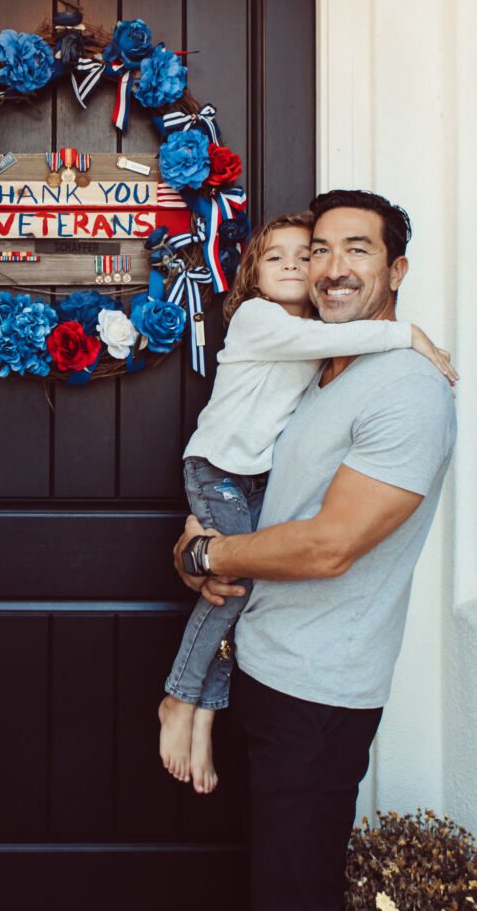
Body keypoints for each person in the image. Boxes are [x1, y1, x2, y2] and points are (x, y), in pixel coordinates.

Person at [173, 189, 458, 911]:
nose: (330, 268)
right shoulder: (323, 369)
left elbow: (330, 546)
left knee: (293, 891)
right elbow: (262, 493)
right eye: (319, 249)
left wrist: (209, 558)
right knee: (271, 875)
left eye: (356, 250)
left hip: (320, 691)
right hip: (268, 670)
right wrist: (196, 539)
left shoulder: (407, 390)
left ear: (396, 271)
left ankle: (180, 700)